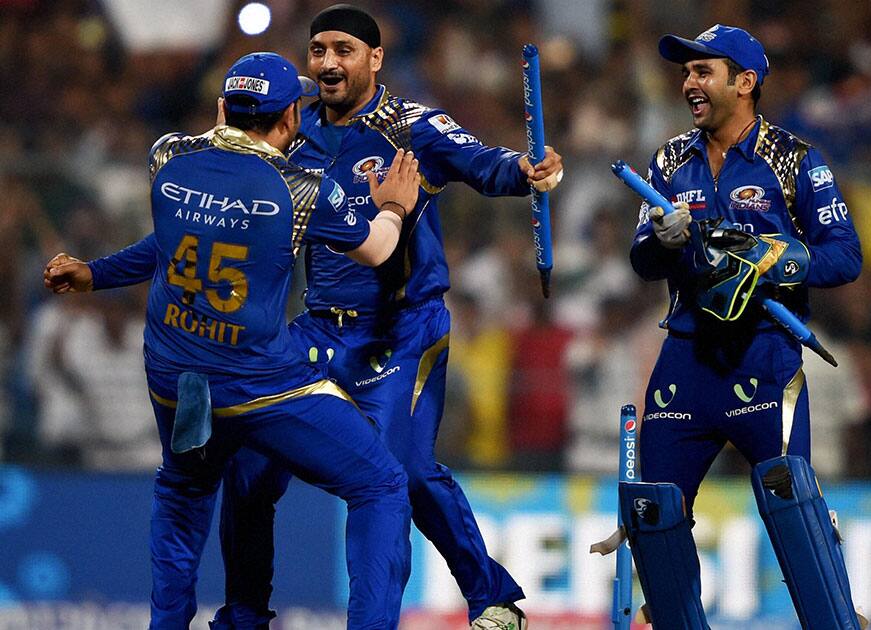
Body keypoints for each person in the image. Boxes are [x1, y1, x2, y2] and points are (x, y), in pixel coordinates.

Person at [53, 5, 563, 628]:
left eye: (343, 49)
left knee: (402, 471)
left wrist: (527, 171)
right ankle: (244, 615)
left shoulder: (413, 126)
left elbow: (485, 164)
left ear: (375, 59)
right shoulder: (294, 131)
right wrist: (100, 272)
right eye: (317, 49)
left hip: (399, 330)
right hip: (319, 326)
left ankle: (491, 598)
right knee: (248, 466)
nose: (326, 62)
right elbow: (206, 231)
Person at [44, 51, 422, 629]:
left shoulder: (168, 156)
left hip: (177, 379)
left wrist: (94, 273)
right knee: (382, 483)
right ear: (291, 118)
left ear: (222, 108)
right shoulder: (299, 190)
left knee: (183, 494)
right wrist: (394, 206)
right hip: (261, 386)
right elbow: (376, 248)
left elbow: (175, 244)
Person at [623, 25, 866, 628]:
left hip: (765, 357)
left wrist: (776, 255)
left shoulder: (794, 160)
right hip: (686, 358)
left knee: (793, 506)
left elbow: (845, 255)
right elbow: (639, 261)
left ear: (745, 81)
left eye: (703, 72)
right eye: (686, 73)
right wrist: (659, 237)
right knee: (653, 517)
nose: (689, 84)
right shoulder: (668, 159)